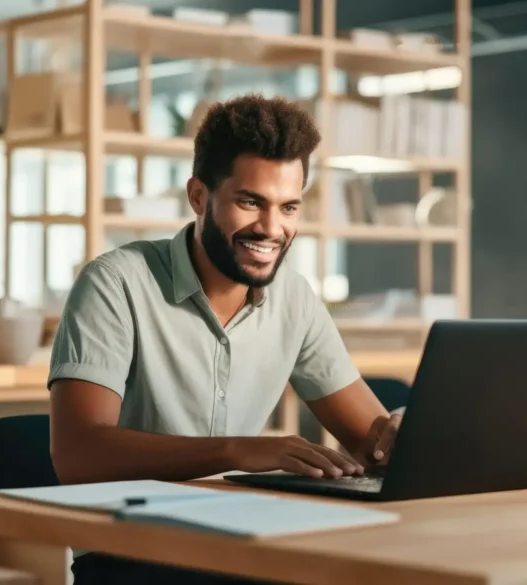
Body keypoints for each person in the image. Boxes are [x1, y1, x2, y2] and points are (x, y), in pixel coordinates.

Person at [48, 94, 401, 584]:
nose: (272, 229)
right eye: (250, 202)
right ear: (198, 196)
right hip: (132, 557)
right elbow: (79, 456)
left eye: (289, 207)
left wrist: (400, 436)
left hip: (243, 551)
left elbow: (373, 442)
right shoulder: (116, 283)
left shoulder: (294, 299)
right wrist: (238, 452)